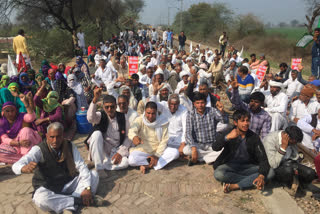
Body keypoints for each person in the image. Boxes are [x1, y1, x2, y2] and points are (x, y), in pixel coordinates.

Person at [12, 122, 104, 213]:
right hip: (48, 188)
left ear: (63, 135)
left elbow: (82, 167)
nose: (55, 140)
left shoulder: (69, 145)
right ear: (47, 136)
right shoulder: (39, 149)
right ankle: (78, 201)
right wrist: (23, 168)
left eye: (58, 136)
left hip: (68, 183)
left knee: (94, 174)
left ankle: (68, 205)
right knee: (41, 199)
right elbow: (16, 165)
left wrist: (87, 188)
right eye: (52, 137)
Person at [213, 110, 270, 193]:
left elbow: (263, 159)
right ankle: (251, 180)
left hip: (248, 167)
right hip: (230, 166)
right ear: (236, 123)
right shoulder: (228, 132)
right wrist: (227, 137)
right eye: (242, 121)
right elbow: (215, 147)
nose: (246, 124)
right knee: (218, 174)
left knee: (270, 172)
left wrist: (261, 176)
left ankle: (235, 185)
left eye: (247, 121)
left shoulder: (253, 137)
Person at [86, 90, 131, 173]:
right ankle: (99, 167)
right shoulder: (101, 115)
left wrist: (120, 153)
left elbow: (128, 137)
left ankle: (99, 163)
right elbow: (90, 118)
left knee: (125, 163)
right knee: (96, 134)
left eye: (112, 107)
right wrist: (95, 99)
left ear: (116, 106)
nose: (109, 109)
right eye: (107, 107)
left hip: (116, 149)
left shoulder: (123, 117)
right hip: (102, 149)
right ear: (103, 107)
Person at [128, 101, 179, 174]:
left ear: (156, 113)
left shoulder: (162, 121)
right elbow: (132, 129)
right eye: (148, 113)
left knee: (175, 153)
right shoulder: (139, 119)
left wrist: (156, 155)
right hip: (144, 150)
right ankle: (154, 163)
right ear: (145, 112)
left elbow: (164, 140)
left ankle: (147, 165)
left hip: (159, 150)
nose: (150, 116)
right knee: (131, 160)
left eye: (153, 113)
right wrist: (134, 137)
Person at [183, 92, 228, 165]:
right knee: (186, 150)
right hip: (198, 145)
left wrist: (222, 111)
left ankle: (202, 159)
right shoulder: (191, 114)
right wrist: (193, 147)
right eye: (198, 103)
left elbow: (224, 121)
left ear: (206, 102)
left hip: (212, 144)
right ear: (194, 104)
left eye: (202, 103)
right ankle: (210, 158)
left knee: (225, 150)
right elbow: (188, 133)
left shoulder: (212, 110)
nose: (200, 105)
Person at [0, 94, 41, 164]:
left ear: (16, 111)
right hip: (15, 145)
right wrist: (18, 143)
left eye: (12, 110)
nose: (10, 113)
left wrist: (26, 103)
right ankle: (27, 159)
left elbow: (31, 117)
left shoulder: (21, 116)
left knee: (26, 130)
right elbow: (4, 139)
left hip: (27, 142)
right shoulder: (1, 122)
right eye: (7, 111)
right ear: (3, 113)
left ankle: (27, 157)